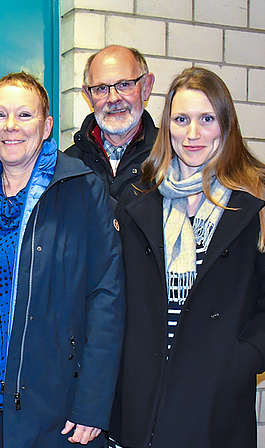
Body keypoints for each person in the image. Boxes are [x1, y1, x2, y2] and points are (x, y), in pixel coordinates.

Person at [0, 72, 125, 447]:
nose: (10, 127)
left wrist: (94, 403)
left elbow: (106, 300)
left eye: (24, 115)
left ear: (46, 126)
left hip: (58, 411)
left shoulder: (83, 190)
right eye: (0, 116)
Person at [110, 67, 265, 448]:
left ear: (226, 125)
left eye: (206, 119)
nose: (192, 134)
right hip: (142, 405)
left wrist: (239, 360)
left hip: (216, 406)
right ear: (167, 127)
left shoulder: (256, 201)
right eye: (181, 120)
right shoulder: (136, 199)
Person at [65, 45, 157, 201]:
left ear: (146, 87)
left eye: (125, 84)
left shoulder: (170, 156)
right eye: (101, 88)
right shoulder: (68, 165)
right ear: (89, 95)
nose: (114, 98)